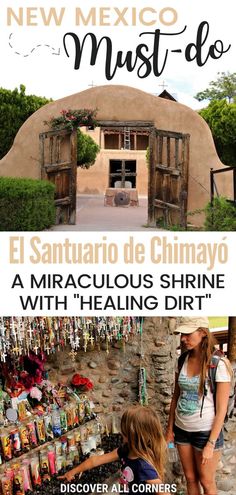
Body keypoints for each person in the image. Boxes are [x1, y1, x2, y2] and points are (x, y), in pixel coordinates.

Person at [166, 317, 232, 495]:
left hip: (206, 433)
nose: (182, 338)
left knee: (206, 481)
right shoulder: (182, 360)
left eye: (187, 333)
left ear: (203, 333)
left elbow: (222, 410)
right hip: (181, 430)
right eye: (182, 334)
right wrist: (170, 428)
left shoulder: (218, 364)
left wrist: (211, 444)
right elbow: (175, 397)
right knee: (190, 478)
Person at [60, 404, 166, 491]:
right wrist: (72, 472)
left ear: (134, 435)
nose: (120, 431)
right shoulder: (126, 450)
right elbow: (95, 461)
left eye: (124, 429)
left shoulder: (143, 467)